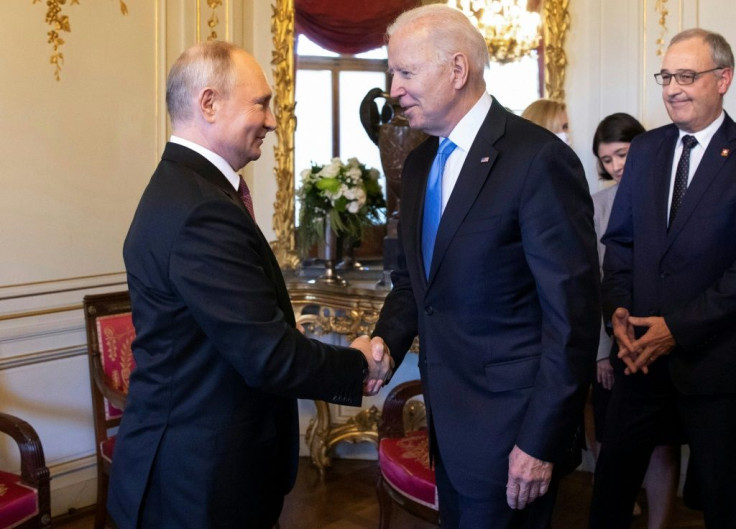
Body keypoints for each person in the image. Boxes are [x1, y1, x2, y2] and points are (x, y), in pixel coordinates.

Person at [107, 41, 392, 529]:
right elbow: (268, 357)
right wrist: (358, 362)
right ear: (209, 103)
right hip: (197, 482)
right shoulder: (201, 210)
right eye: (261, 103)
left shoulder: (190, 191)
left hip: (205, 470)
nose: (274, 120)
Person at [369, 5, 601, 528]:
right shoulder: (423, 161)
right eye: (392, 73)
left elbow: (573, 319)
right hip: (448, 429)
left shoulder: (537, 159)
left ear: (457, 70)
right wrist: (383, 341)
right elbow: (414, 283)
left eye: (405, 72)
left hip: (513, 432)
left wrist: (539, 441)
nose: (393, 88)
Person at [591, 28, 736, 528]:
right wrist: (618, 314)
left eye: (687, 76)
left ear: (724, 79)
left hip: (714, 368)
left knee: (721, 501)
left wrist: (676, 327)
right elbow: (621, 244)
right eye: (667, 76)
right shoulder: (647, 150)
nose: (673, 88)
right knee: (609, 495)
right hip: (637, 362)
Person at [590, 114, 681, 529]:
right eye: (607, 160)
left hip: (674, 339)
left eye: (622, 154)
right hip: (619, 345)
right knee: (616, 449)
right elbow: (595, 283)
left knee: (665, 444)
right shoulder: (598, 204)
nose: (616, 166)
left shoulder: (674, 190)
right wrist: (604, 352)